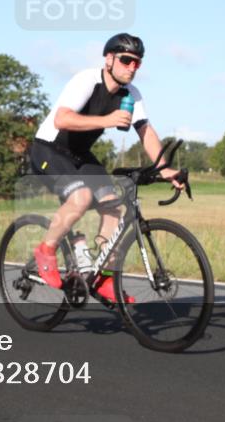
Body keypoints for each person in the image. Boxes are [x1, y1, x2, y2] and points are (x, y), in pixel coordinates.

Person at [29, 33, 186, 303]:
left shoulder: (131, 95)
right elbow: (61, 119)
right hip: (49, 148)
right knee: (81, 197)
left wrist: (165, 168)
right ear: (109, 59)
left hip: (80, 154)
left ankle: (103, 278)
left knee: (112, 204)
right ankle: (45, 250)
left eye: (137, 63)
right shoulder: (86, 81)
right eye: (126, 60)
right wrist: (107, 119)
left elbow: (146, 132)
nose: (132, 68)